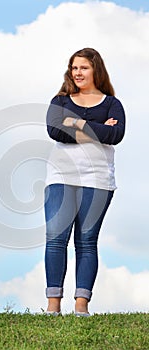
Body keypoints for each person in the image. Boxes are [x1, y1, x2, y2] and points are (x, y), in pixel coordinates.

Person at [44, 48, 125, 316]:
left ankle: (81, 306)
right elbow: (55, 131)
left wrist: (75, 123)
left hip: (98, 178)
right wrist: (97, 129)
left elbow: (116, 135)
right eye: (74, 68)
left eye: (84, 68)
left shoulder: (113, 104)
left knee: (87, 240)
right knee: (56, 238)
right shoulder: (61, 100)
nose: (77, 73)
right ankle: (53, 305)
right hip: (61, 176)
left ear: (96, 70)